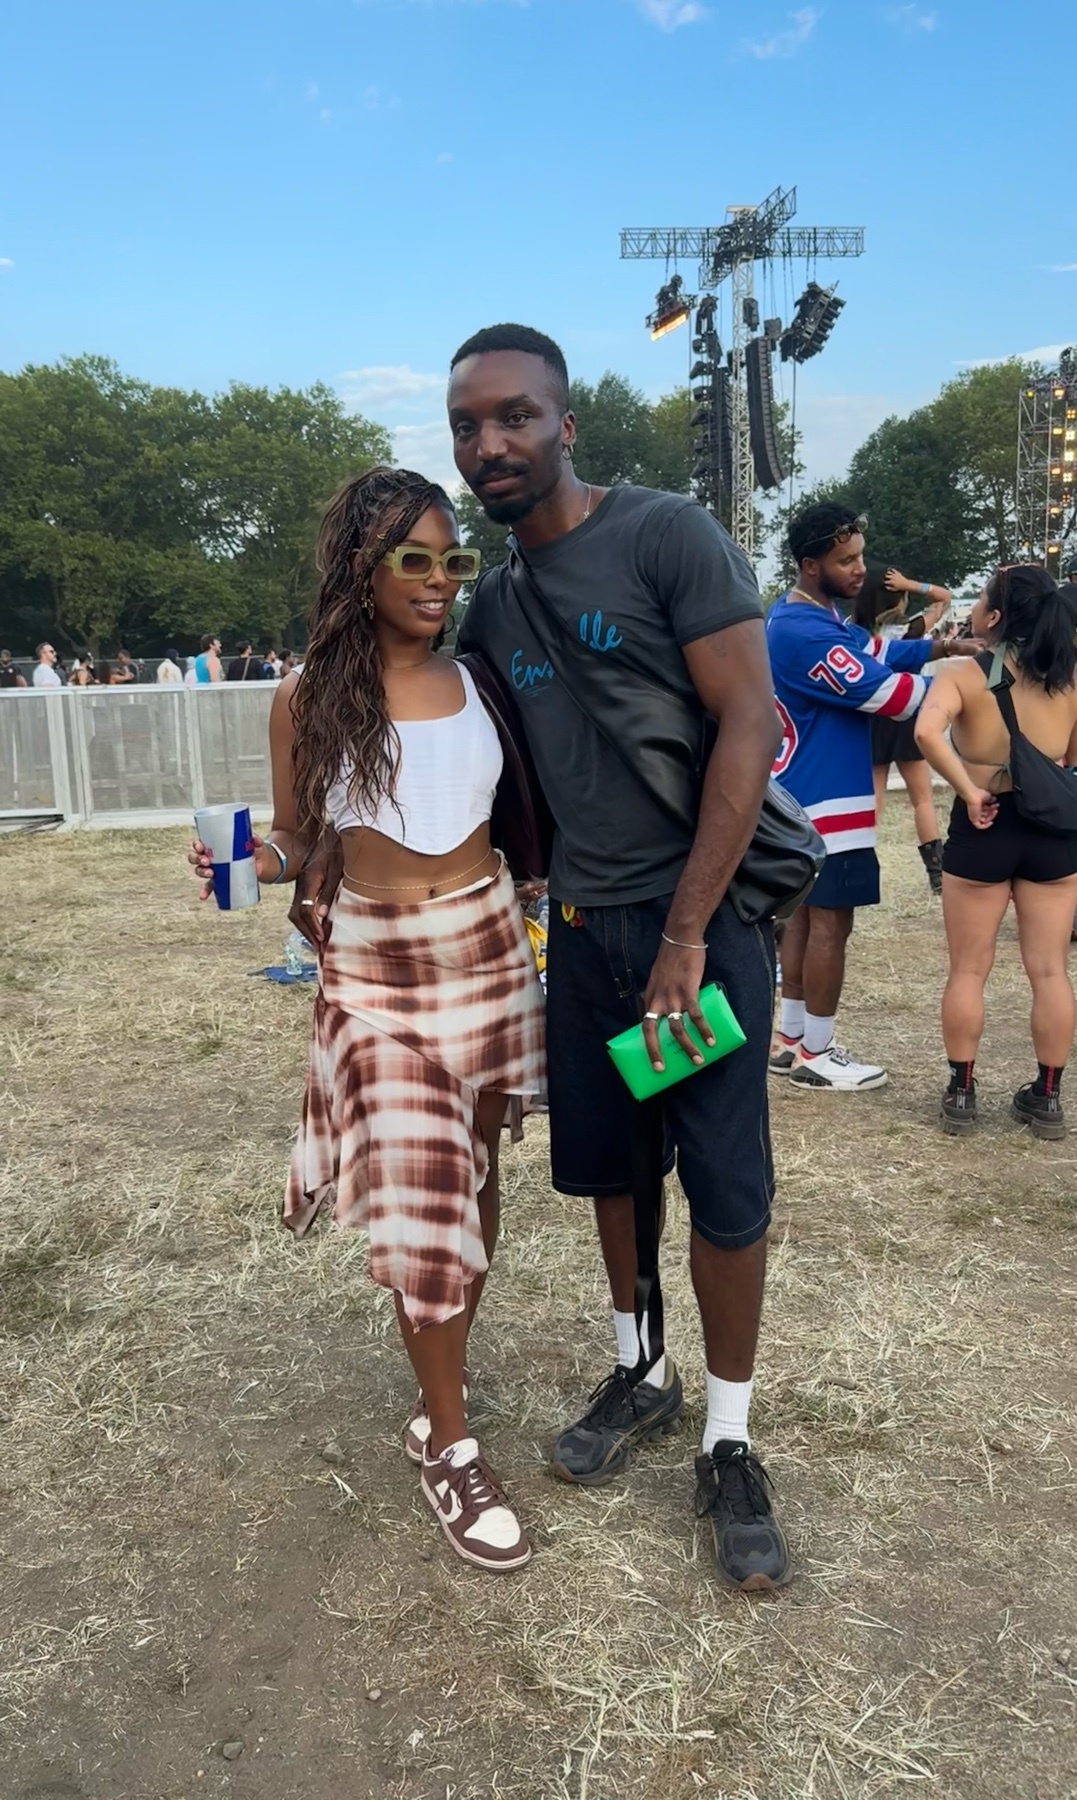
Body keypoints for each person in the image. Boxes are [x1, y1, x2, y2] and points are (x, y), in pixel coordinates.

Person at [450, 323, 790, 1591]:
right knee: (612, 1172)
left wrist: (690, 936)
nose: (492, 444)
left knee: (723, 1183)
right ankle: (640, 1370)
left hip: (695, 935)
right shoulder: (494, 601)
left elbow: (750, 724)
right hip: (585, 935)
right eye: (470, 427)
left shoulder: (664, 534)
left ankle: (729, 1437)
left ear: (564, 423)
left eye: (515, 417)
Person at [190, 467, 545, 1572]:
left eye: (453, 562)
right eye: (414, 561)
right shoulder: (305, 696)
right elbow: (300, 838)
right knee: (428, 1201)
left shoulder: (483, 680)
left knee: (473, 1188)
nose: (439, 582)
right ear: (361, 566)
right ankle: (450, 1438)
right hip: (376, 969)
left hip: (487, 950)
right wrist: (251, 855)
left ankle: (437, 1392)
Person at [766, 505, 979, 1092]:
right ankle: (817, 1049)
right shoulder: (801, 629)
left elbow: (876, 652)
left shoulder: (811, 615)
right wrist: (967, 684)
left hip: (808, 797)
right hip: (826, 802)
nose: (862, 569)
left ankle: (790, 1039)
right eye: (846, 560)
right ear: (811, 565)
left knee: (807, 922)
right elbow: (882, 691)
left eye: (859, 554)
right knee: (832, 924)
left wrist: (943, 648)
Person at [914, 565, 1077, 1138]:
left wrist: (969, 789)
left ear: (997, 615)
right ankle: (1047, 1096)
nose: (977, 604)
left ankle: (961, 1091)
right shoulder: (1069, 675)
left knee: (968, 968)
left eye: (982, 596)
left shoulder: (963, 673)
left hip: (984, 823)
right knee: (1050, 970)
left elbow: (926, 733)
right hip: (1054, 831)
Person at [851, 564, 953, 896]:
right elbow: (945, 598)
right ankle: (937, 873)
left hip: (872, 713)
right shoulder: (912, 630)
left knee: (873, 798)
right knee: (921, 799)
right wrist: (912, 583)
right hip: (908, 712)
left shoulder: (855, 632)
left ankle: (857, 863)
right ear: (898, 601)